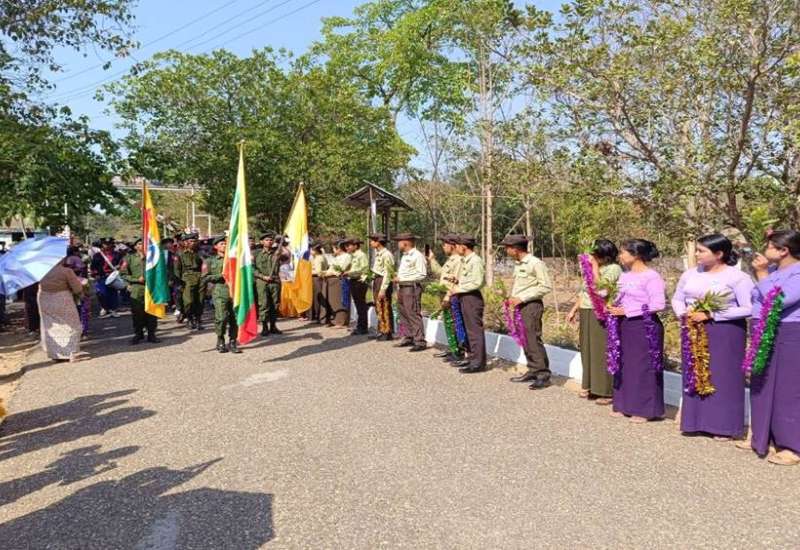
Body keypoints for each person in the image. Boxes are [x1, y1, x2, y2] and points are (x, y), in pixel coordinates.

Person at [671, 234, 753, 440]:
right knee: (694, 372)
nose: (697, 254)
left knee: (723, 376)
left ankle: (723, 426)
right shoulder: (690, 274)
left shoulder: (737, 277)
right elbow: (678, 298)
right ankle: (695, 421)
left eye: (701, 251)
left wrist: (712, 315)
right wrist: (683, 313)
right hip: (693, 328)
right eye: (697, 250)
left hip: (725, 331)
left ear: (719, 254)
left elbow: (749, 308)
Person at [742, 230, 800, 465]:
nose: (765, 249)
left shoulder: (797, 273)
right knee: (762, 383)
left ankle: (791, 446)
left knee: (787, 389)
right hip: (762, 329)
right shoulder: (774, 271)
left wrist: (761, 274)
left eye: (770, 245)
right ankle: (762, 437)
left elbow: (778, 300)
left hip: (789, 330)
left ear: (784, 250)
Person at [608, 239, 666, 422]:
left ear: (636, 255)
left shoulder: (651, 276)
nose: (620, 256)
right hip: (625, 324)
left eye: (623, 252)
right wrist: (611, 304)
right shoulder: (625, 276)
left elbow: (658, 304)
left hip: (645, 325)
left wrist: (628, 311)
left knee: (643, 366)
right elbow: (620, 297)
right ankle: (624, 404)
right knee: (625, 364)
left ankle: (644, 409)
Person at [567, 239, 622, 404]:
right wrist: (574, 309)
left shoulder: (613, 268)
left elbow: (601, 290)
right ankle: (590, 385)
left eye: (594, 254)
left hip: (600, 312)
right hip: (586, 310)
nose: (591, 257)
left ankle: (605, 390)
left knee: (600, 351)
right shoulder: (590, 268)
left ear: (603, 255)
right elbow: (585, 292)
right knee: (587, 350)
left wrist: (595, 267)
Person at [502, 235, 553, 389]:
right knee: (525, 339)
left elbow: (545, 286)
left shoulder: (535, 263)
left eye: (507, 247)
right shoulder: (519, 264)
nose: (506, 250)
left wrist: (522, 298)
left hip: (531, 306)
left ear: (516, 249)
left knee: (533, 339)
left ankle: (543, 374)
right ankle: (533, 369)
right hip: (520, 306)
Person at [38, 260, 88, 362]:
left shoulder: (41, 271)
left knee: (51, 326)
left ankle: (56, 354)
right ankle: (70, 353)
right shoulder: (66, 271)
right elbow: (77, 288)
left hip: (45, 299)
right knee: (71, 325)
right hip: (62, 299)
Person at [428, 234, 466, 362]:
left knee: (454, 323)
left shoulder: (459, 260)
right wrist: (432, 259)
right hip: (446, 295)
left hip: (451, 296)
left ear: (452, 245)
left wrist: (448, 296)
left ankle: (458, 351)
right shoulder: (451, 260)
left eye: (445, 244)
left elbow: (456, 281)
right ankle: (453, 348)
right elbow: (441, 274)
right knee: (448, 323)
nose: (443, 247)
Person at [452, 234, 486, 373]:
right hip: (464, 297)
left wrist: (459, 288)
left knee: (474, 331)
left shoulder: (475, 261)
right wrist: (458, 282)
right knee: (468, 330)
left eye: (457, 246)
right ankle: (472, 358)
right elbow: (469, 280)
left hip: (472, 298)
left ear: (463, 247)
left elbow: (478, 282)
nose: (456, 248)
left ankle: (478, 363)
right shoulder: (466, 260)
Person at [202, 236, 242, 354]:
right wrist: (221, 275)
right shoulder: (210, 261)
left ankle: (233, 341)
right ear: (216, 246)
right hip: (220, 291)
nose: (224, 246)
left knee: (235, 318)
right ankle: (220, 339)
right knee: (221, 317)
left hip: (235, 291)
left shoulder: (234, 259)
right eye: (222, 244)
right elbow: (204, 278)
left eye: (225, 244)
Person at [393, 233, 427, 351]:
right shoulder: (405, 256)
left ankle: (419, 341)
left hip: (411, 287)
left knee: (413, 313)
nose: (398, 244)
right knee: (403, 312)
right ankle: (408, 336)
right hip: (402, 287)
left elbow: (422, 274)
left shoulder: (417, 255)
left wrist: (402, 278)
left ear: (405, 242)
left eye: (399, 241)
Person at [121, 238, 159, 345]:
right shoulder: (129, 258)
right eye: (139, 244)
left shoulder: (153, 257)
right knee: (137, 313)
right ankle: (138, 334)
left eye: (144, 243)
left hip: (151, 287)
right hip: (137, 288)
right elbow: (123, 274)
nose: (142, 245)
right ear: (135, 246)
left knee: (152, 311)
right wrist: (135, 279)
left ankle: (152, 334)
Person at [254, 232, 282, 336]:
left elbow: (287, 257)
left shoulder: (277, 253)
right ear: (261, 242)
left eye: (271, 240)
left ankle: (273, 326)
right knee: (264, 304)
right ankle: (265, 327)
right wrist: (262, 276)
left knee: (275, 304)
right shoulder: (256, 254)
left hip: (275, 282)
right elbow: (252, 269)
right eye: (266, 240)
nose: (269, 242)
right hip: (262, 282)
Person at [174, 233, 204, 330]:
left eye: (195, 241)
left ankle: (198, 319)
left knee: (200, 300)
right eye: (191, 241)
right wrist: (178, 283)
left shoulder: (200, 253)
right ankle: (189, 318)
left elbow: (204, 265)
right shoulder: (180, 254)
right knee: (188, 301)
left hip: (200, 277)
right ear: (185, 242)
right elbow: (177, 269)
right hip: (186, 278)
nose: (193, 243)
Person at [369, 234, 395, 340]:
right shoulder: (378, 253)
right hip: (377, 280)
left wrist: (383, 289)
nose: (371, 242)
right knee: (379, 306)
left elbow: (388, 273)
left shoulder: (387, 254)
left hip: (383, 281)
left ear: (378, 242)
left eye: (372, 240)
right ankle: (381, 330)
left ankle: (387, 332)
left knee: (384, 306)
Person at [90, 238, 122, 318]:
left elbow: (121, 263)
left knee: (113, 293)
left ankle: (113, 309)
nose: (107, 245)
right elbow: (93, 266)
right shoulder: (97, 255)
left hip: (112, 276)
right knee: (101, 293)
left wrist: (118, 267)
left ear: (112, 244)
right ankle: (104, 308)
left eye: (109, 244)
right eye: (105, 244)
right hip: (101, 276)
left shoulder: (117, 254)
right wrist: (95, 274)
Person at [324, 240, 352, 328]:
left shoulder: (347, 256)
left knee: (340, 301)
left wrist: (331, 273)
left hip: (340, 280)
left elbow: (341, 269)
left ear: (339, 248)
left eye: (334, 248)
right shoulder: (336, 257)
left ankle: (342, 321)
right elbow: (331, 268)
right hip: (332, 280)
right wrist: (325, 273)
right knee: (333, 301)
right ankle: (335, 319)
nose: (333, 250)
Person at [344, 238, 370, 335]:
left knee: (361, 305)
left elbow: (364, 269)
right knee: (358, 305)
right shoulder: (353, 256)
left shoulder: (361, 255)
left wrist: (349, 273)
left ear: (355, 246)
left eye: (349, 246)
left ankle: (363, 328)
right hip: (353, 281)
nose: (347, 248)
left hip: (359, 282)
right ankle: (360, 326)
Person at [64, 245, 91, 338]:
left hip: (67, 287)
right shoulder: (76, 259)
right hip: (80, 284)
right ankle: (83, 330)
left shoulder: (63, 261)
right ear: (75, 252)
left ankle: (74, 330)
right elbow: (82, 269)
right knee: (83, 308)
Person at [310, 242, 328, 324]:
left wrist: (308, 272)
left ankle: (318, 316)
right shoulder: (322, 257)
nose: (310, 251)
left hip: (317, 279)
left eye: (311, 250)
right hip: (321, 279)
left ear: (315, 250)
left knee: (317, 298)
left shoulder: (318, 259)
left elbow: (318, 271)